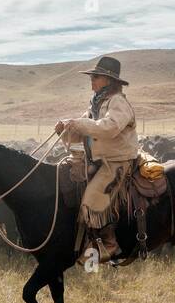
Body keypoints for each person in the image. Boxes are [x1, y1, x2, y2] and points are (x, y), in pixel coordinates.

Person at [55, 56, 139, 262]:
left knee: (92, 198)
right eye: (92, 76)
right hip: (97, 159)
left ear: (109, 80)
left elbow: (108, 128)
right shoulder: (97, 102)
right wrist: (65, 129)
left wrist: (78, 123)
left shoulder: (118, 102)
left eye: (96, 76)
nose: (92, 80)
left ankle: (110, 244)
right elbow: (84, 129)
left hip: (117, 161)